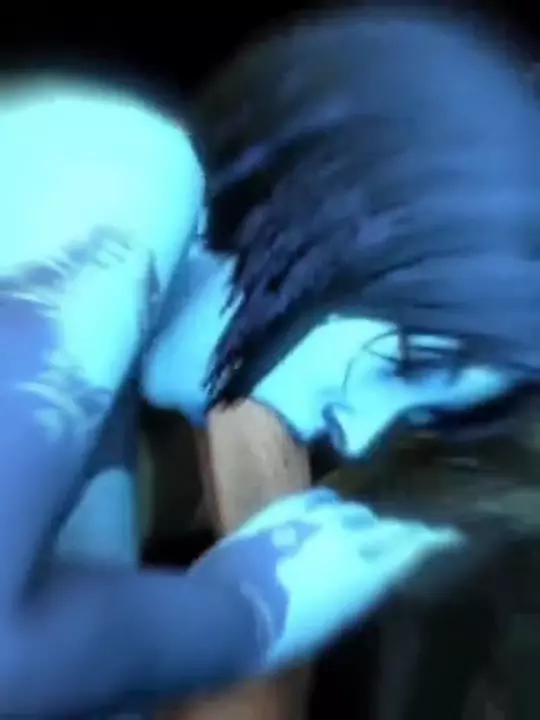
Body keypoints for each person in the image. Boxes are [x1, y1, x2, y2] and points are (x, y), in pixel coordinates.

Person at [0, 9, 535, 718]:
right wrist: (252, 608)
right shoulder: (123, 171)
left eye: (419, 413)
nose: (357, 438)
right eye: (404, 364)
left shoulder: (100, 423)